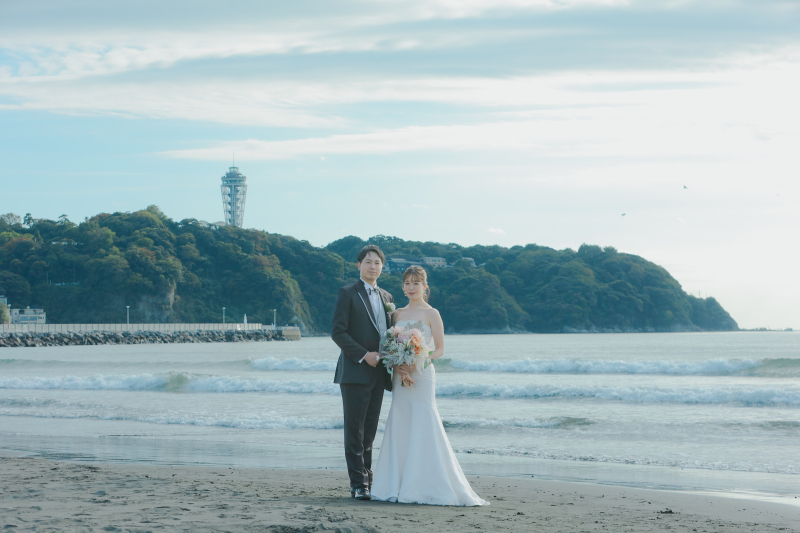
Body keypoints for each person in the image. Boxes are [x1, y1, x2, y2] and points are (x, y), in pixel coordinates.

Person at [370, 265, 487, 506]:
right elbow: (389, 346)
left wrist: (416, 362)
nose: (411, 287)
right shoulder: (396, 314)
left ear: (425, 287)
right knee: (400, 422)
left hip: (421, 376)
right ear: (403, 287)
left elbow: (440, 350)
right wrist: (397, 364)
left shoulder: (433, 313)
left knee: (425, 420)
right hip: (399, 375)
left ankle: (426, 485)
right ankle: (394, 485)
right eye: (407, 283)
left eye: (416, 283)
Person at [331, 244, 394, 501]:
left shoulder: (387, 297)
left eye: (377, 263)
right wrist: (363, 355)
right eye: (368, 262)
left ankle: (368, 480)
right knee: (354, 431)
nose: (372, 266)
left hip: (379, 374)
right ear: (359, 265)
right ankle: (358, 484)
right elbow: (338, 332)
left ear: (382, 266)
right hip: (355, 372)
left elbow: (390, 335)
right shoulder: (347, 293)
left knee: (369, 431)